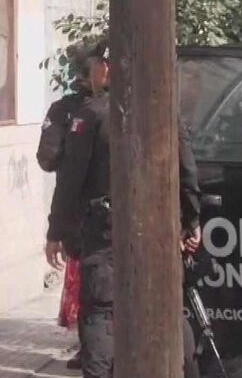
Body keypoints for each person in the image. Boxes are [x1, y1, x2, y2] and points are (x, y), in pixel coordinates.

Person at [47, 40, 202, 378]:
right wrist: (191, 221)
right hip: (159, 230)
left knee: (101, 312)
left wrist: (56, 230)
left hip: (107, 234)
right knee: (167, 307)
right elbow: (187, 171)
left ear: (107, 67)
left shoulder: (92, 114)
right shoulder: (164, 110)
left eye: (96, 65)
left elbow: (70, 181)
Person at [39, 45, 92, 370]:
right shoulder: (124, 105)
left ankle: (92, 350)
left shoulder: (66, 110)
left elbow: (47, 159)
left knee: (91, 288)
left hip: (79, 214)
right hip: (110, 216)